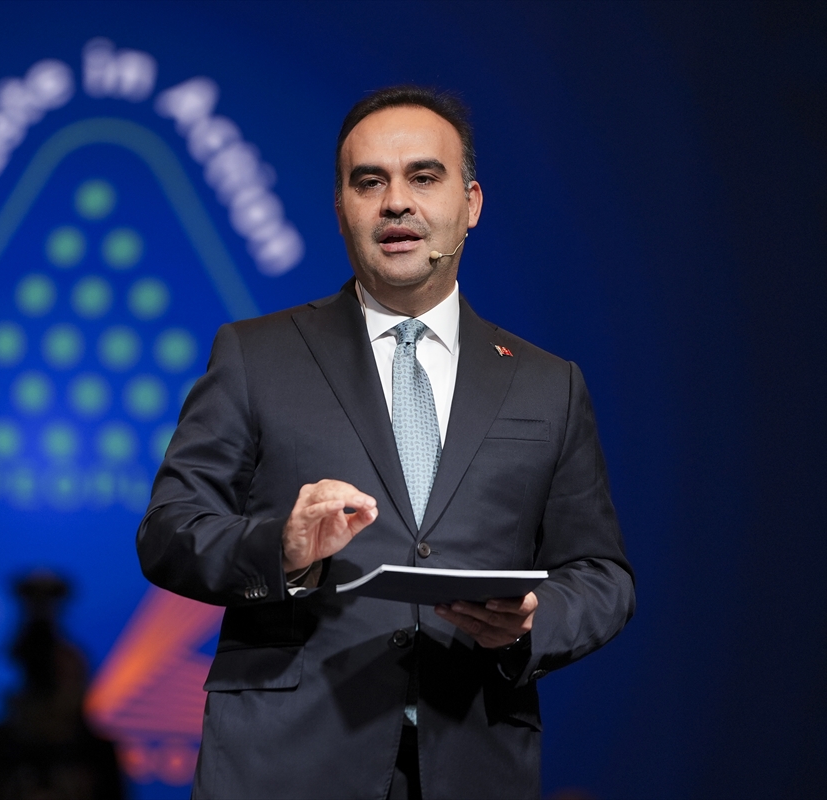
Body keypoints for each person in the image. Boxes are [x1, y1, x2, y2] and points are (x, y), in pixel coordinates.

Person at [136, 85, 634, 800]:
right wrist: (282, 549)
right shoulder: (256, 355)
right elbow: (168, 531)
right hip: (286, 765)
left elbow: (601, 574)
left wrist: (531, 623)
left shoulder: (547, 384)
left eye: (423, 177)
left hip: (473, 759)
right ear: (341, 208)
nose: (396, 202)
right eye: (369, 182)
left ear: (471, 204)